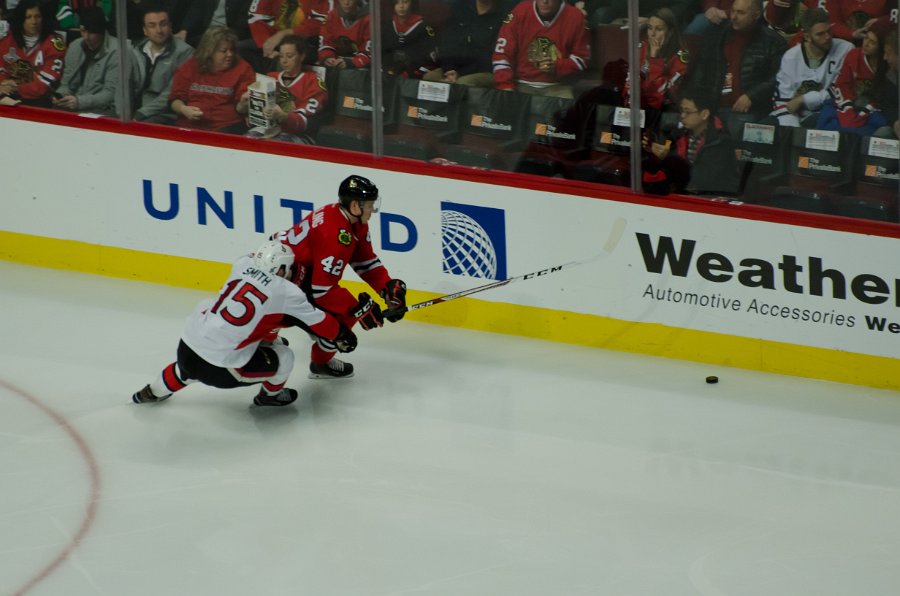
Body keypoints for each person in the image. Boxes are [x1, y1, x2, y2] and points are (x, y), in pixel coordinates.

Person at [132, 241, 358, 406]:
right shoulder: (286, 291)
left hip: (187, 348)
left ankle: (150, 392)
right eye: (287, 268)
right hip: (223, 369)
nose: (289, 272)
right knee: (285, 356)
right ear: (281, 269)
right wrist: (342, 334)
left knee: (204, 326)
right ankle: (269, 397)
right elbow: (320, 322)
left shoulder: (242, 263)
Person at [269, 175, 407, 379]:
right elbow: (322, 292)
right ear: (355, 205)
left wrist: (386, 287)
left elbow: (365, 261)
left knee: (343, 308)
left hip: (292, 271)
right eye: (369, 205)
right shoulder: (336, 235)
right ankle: (320, 363)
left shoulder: (349, 219)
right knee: (343, 317)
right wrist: (361, 310)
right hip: (282, 279)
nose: (373, 210)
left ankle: (268, 333)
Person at [686, 0, 786, 137]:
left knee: (735, 132)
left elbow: (779, 77)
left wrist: (752, 96)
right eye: (733, 11)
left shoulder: (773, 42)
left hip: (749, 109)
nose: (733, 17)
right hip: (715, 105)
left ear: (756, 15)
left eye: (741, 13)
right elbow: (702, 71)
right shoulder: (718, 36)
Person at [644, 90, 741, 196]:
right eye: (682, 111)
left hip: (708, 198)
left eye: (688, 112)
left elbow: (702, 178)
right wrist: (654, 153)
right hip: (680, 195)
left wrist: (668, 157)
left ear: (704, 114)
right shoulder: (678, 135)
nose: (682, 116)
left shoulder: (720, 141)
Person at [770, 8, 853, 128]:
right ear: (807, 37)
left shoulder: (845, 50)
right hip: (795, 115)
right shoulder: (791, 57)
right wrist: (793, 131)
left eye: (829, 31)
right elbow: (783, 101)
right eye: (820, 34)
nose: (827, 37)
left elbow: (839, 92)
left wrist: (804, 99)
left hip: (829, 113)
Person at [491, 0, 590, 98]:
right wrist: (505, 85)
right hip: (520, 83)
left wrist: (557, 66)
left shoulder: (575, 16)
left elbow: (581, 59)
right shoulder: (520, 11)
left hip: (558, 86)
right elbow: (502, 55)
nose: (545, 1)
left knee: (567, 104)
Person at [168, 25, 256, 132]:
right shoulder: (191, 66)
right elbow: (175, 99)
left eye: (232, 50)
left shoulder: (243, 68)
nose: (230, 54)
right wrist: (184, 109)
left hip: (226, 127)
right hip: (189, 126)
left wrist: (243, 104)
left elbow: (240, 108)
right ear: (210, 51)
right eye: (223, 51)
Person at [247, 34, 327, 142]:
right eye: (281, 56)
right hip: (269, 129)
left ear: (302, 56)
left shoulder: (313, 81)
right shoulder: (270, 77)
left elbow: (306, 121)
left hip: (299, 134)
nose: (284, 61)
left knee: (274, 145)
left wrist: (284, 116)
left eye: (289, 56)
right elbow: (253, 114)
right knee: (246, 141)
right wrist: (246, 104)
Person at [817, 19, 890, 135]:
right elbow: (842, 85)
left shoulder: (889, 64)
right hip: (850, 102)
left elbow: (885, 96)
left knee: (879, 124)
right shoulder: (854, 55)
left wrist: (866, 110)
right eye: (866, 38)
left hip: (875, 108)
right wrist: (847, 110)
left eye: (872, 42)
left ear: (882, 46)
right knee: (827, 119)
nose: (866, 44)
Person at [128, 1, 192, 123]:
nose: (159, 30)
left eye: (163, 24)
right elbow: (123, 87)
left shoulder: (185, 53)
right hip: (132, 111)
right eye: (152, 25)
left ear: (170, 26)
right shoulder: (134, 50)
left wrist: (139, 114)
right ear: (145, 30)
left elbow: (170, 93)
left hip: (164, 114)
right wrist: (122, 113)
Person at [422, 0, 509, 87]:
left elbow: (491, 57)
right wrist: (449, 70)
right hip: (455, 68)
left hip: (486, 71)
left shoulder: (504, 13)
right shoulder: (460, 7)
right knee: (430, 78)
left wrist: (460, 73)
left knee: (463, 83)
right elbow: (447, 44)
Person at [51, 6, 118, 115]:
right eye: (83, 31)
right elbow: (66, 83)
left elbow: (111, 94)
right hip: (75, 105)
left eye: (91, 32)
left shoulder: (117, 51)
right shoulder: (75, 46)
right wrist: (61, 96)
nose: (86, 37)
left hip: (104, 110)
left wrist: (80, 102)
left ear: (101, 32)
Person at [0, 0, 66, 107]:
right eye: (28, 17)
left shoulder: (55, 43)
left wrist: (16, 86)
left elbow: (43, 85)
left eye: (37, 16)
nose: (34, 22)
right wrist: (3, 85)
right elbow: (1, 68)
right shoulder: (8, 39)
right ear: (21, 19)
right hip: (8, 96)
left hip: (41, 101)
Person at [624, 8, 688, 112]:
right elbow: (628, 88)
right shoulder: (641, 48)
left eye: (659, 29)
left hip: (664, 110)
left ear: (670, 32)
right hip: (637, 108)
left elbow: (659, 94)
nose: (652, 34)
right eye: (650, 28)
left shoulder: (681, 55)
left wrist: (654, 59)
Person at [382, 0, 436, 79]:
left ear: (412, 3)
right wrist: (388, 68)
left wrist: (409, 71)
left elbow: (429, 60)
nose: (401, 6)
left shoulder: (423, 26)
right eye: (397, 2)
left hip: (414, 73)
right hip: (390, 72)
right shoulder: (388, 26)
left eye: (405, 2)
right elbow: (383, 52)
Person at [317, 0, 370, 70]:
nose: (346, 3)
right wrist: (327, 57)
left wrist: (352, 62)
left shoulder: (369, 19)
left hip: (362, 70)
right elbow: (327, 43)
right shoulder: (332, 15)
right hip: (337, 67)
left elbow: (370, 53)